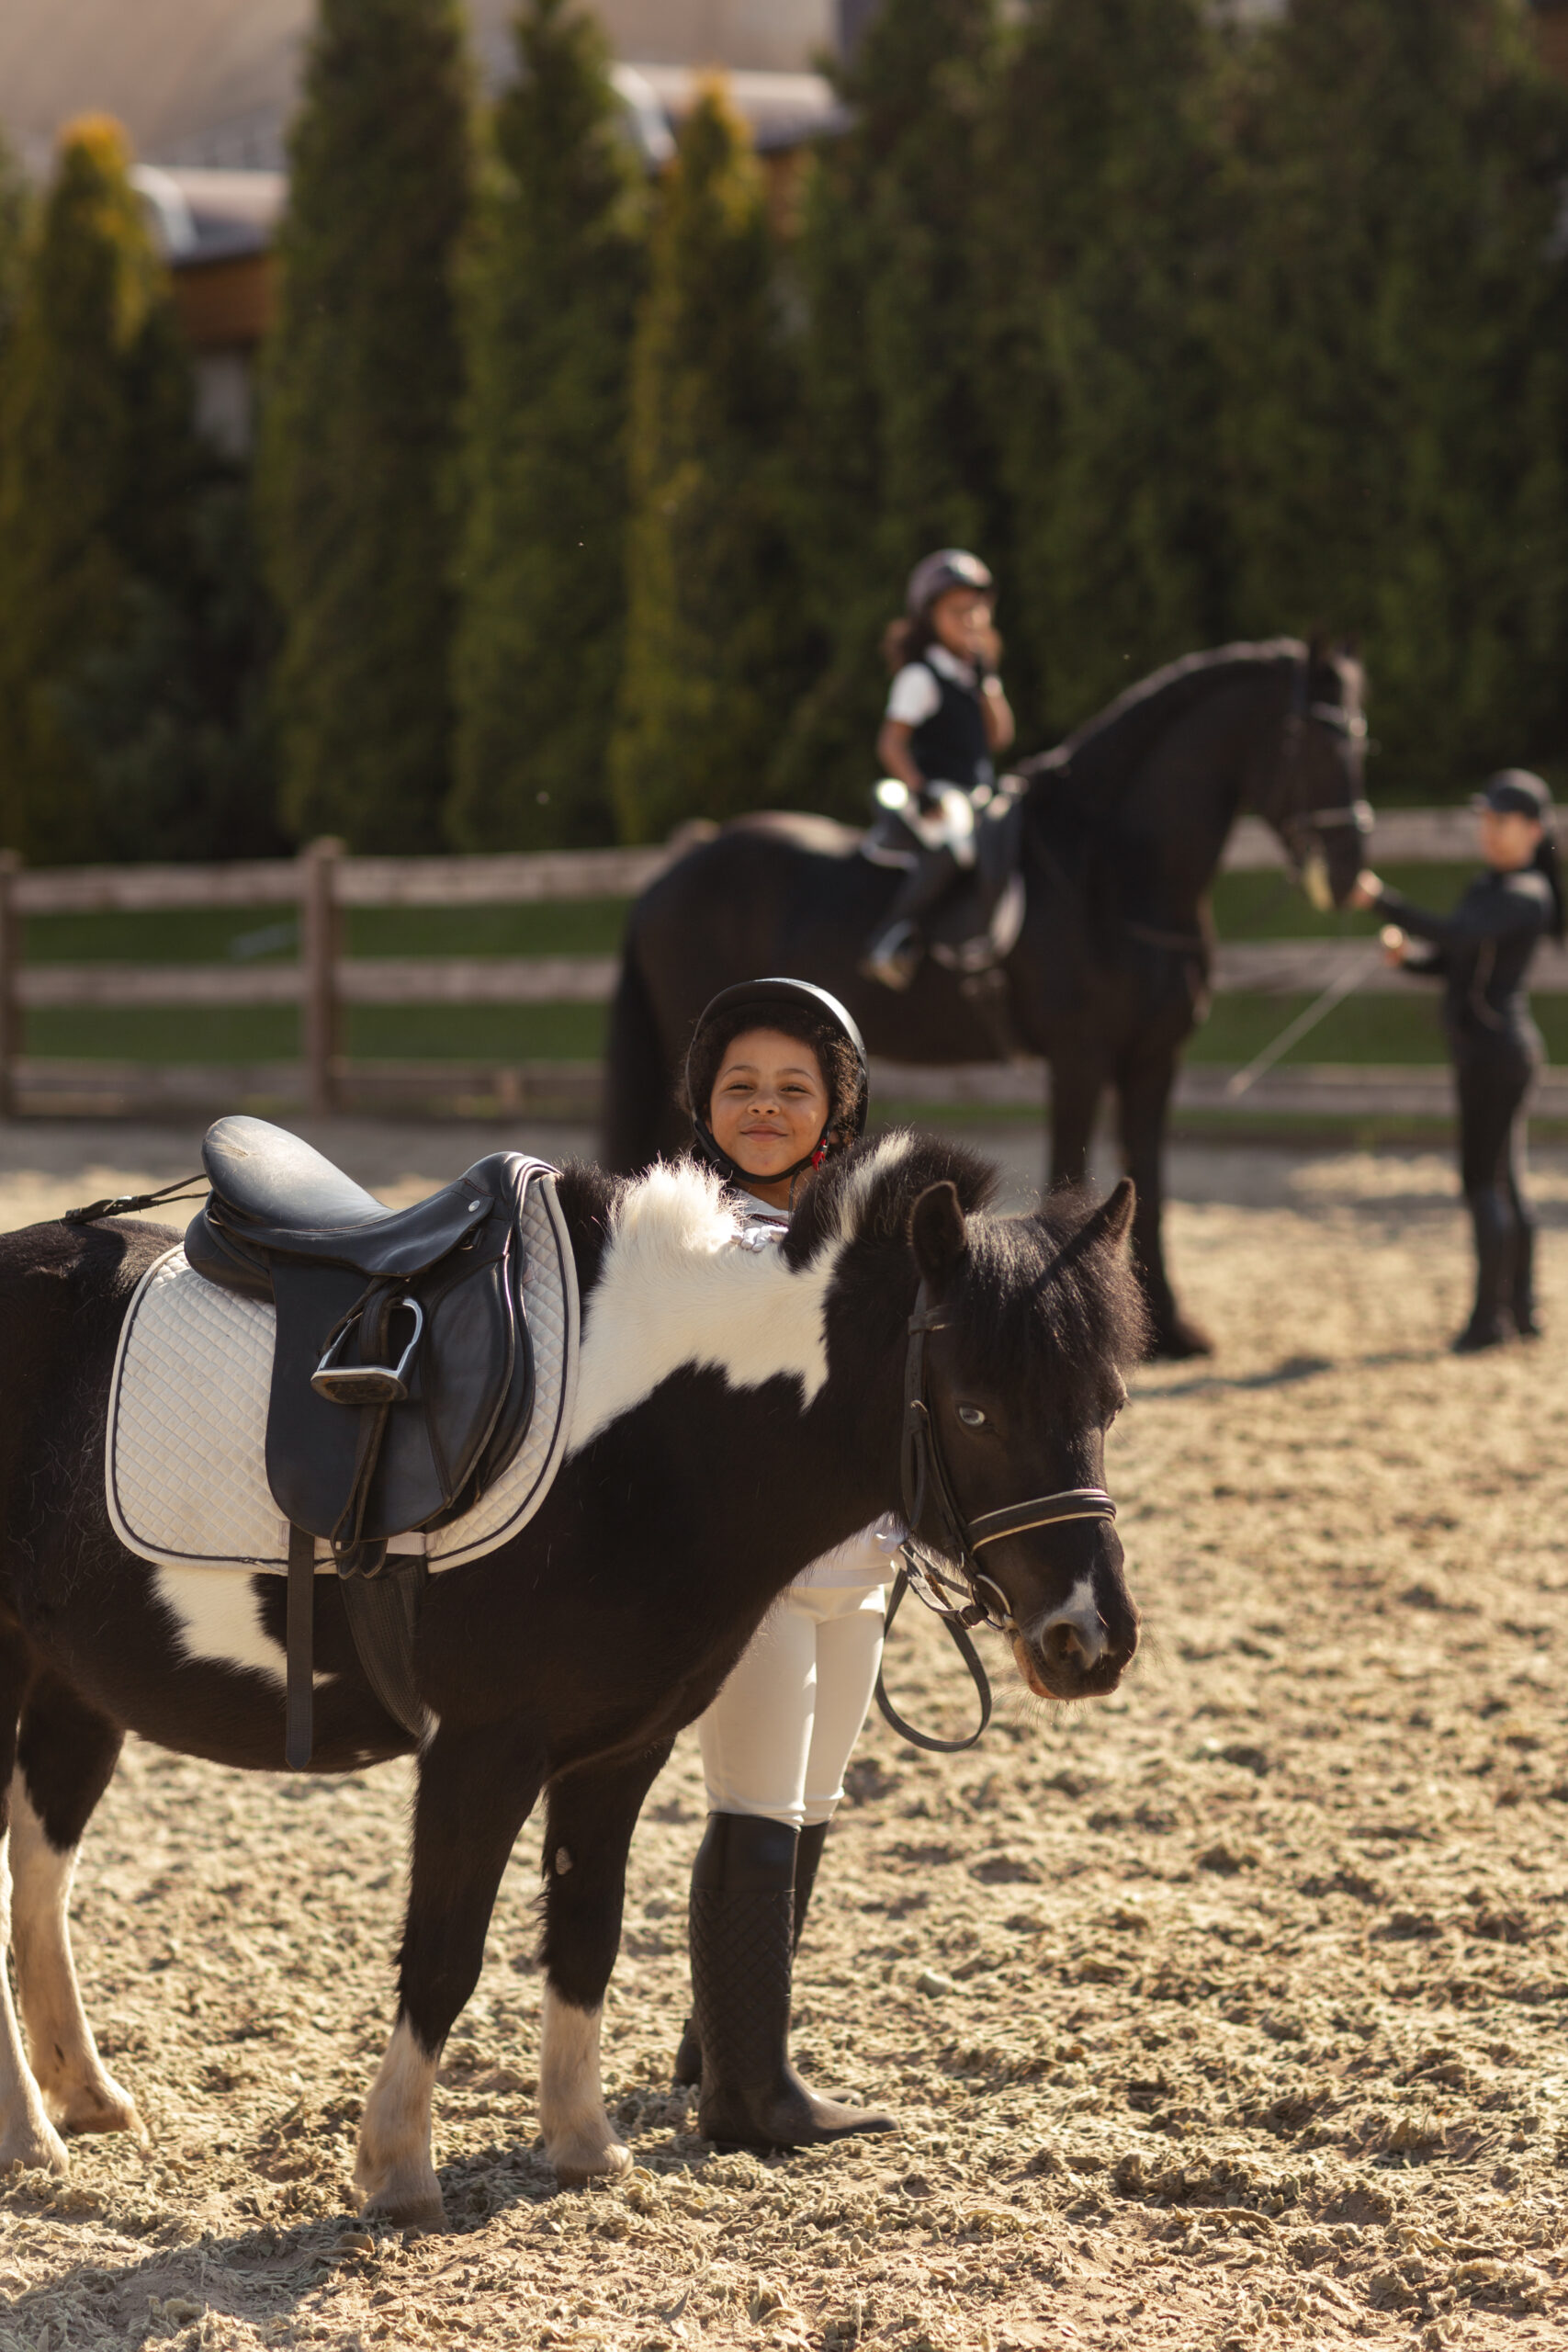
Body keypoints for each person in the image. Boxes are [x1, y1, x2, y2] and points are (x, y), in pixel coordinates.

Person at [672, 976, 897, 2151]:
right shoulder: (689, 1238)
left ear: (837, 1109)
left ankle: (719, 2034)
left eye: (793, 1089)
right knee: (754, 1803)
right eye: (741, 1086)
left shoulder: (866, 1236)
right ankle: (751, 2094)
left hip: (861, 1565)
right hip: (750, 1576)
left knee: (810, 1807)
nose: (765, 1106)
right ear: (704, 1102)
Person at [1350, 770, 1563, 1351]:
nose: (1490, 831)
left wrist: (1379, 900)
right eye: (1486, 820)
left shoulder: (1526, 895)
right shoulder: (1489, 889)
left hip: (1498, 1055)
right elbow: (1454, 960)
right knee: (1504, 1180)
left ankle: (1489, 1319)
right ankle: (1520, 1310)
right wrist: (1409, 963)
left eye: (1502, 821)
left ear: (1532, 830)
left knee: (1483, 1183)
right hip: (1488, 1053)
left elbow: (1457, 935)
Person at [861, 548, 1016, 990]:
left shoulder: (975, 673)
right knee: (955, 847)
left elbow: (1000, 736)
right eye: (957, 610)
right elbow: (891, 743)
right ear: (930, 617)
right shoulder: (920, 677)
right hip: (940, 791)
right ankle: (891, 939)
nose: (970, 618)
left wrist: (988, 679)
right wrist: (920, 789)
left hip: (980, 791)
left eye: (977, 608)